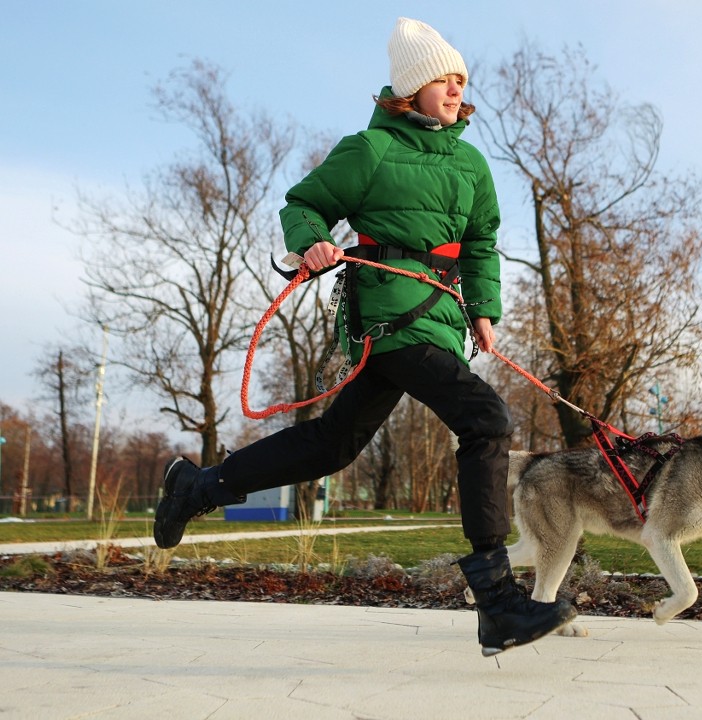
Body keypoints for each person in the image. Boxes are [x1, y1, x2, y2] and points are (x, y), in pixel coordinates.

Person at [153, 17, 575, 656]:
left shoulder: (472, 163)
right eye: (442, 79)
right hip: (388, 314)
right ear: (411, 89)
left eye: (461, 78)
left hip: (437, 315)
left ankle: (197, 488)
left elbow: (483, 242)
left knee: (333, 444)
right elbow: (303, 203)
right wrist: (312, 243)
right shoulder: (370, 150)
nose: (456, 89)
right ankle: (496, 603)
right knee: (485, 418)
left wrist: (484, 308)